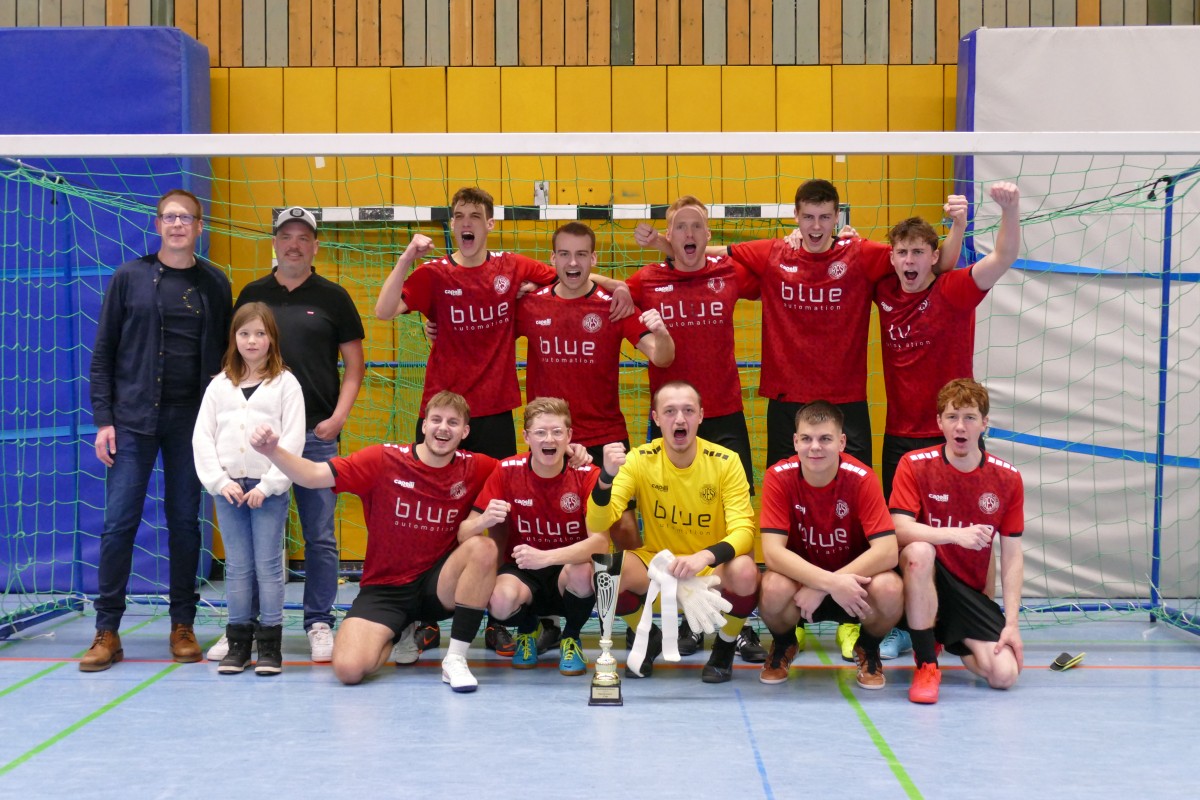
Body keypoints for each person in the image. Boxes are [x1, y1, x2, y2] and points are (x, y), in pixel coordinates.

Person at [375, 187, 631, 655]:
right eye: (458, 216)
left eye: (476, 215)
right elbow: (384, 309)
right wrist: (408, 256)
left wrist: (620, 287)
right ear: (451, 225)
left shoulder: (512, 267)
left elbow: (571, 275)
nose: (467, 222)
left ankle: (493, 617)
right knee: (434, 520)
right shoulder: (434, 273)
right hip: (442, 417)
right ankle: (424, 617)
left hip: (494, 413)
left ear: (490, 224)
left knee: (494, 520)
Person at [723, 179, 960, 662]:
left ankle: (853, 617)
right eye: (807, 217)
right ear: (794, 216)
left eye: (825, 217)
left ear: (837, 217)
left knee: (853, 517)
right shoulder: (772, 253)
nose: (815, 227)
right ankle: (795, 615)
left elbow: (941, 263)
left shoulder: (862, 254)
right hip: (788, 402)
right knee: (789, 514)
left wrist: (955, 224)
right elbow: (706, 251)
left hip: (847, 405)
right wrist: (665, 243)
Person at [248, 391, 499, 692]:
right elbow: (314, 475)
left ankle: (455, 659)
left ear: (465, 431)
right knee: (348, 670)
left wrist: (570, 454)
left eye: (453, 423)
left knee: (483, 547)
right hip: (386, 589)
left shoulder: (478, 466)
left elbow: (522, 469)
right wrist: (273, 451)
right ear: (423, 425)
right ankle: (397, 631)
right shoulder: (383, 459)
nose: (443, 428)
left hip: (438, 585)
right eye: (436, 420)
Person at [82, 189, 233, 672]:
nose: (176, 225)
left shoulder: (215, 283)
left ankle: (182, 624)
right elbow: (104, 352)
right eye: (169, 217)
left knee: (186, 523)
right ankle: (107, 631)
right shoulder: (129, 277)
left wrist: (222, 425)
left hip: (192, 425)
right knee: (118, 523)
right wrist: (104, 419)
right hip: (131, 421)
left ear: (199, 226)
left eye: (185, 218)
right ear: (157, 224)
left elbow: (226, 360)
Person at [217, 207, 366, 664]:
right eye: (287, 236)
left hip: (315, 435)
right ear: (275, 243)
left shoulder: (334, 297)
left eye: (304, 237)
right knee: (258, 539)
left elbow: (355, 367)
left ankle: (318, 619)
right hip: (258, 442)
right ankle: (246, 625)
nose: (295, 244)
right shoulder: (253, 294)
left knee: (320, 535)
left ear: (316, 246)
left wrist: (339, 418)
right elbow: (234, 362)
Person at [629, 197, 766, 661]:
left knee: (733, 523)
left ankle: (736, 626)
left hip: (723, 415)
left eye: (697, 227)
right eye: (679, 227)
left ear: (708, 236)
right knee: (667, 519)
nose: (689, 233)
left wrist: (835, 240)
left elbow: (782, 271)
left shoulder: (728, 272)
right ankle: (683, 617)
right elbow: (601, 288)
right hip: (670, 420)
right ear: (668, 234)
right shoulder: (647, 280)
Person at [584, 381, 761, 683]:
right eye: (670, 411)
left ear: (701, 416)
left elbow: (744, 530)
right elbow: (599, 522)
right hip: (658, 569)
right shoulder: (639, 459)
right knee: (606, 571)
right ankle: (648, 635)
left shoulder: (727, 461)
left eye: (688, 411)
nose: (680, 419)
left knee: (745, 570)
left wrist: (701, 557)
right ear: (655, 417)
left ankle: (725, 646)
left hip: (708, 571)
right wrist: (605, 480)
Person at [516, 221, 674, 552]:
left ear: (594, 259)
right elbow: (488, 334)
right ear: (553, 259)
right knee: (552, 527)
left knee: (625, 530)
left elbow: (661, 358)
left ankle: (631, 601)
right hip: (551, 437)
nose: (573, 263)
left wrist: (662, 333)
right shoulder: (530, 305)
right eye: (565, 255)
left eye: (581, 255)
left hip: (605, 438)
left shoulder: (613, 306)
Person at [890, 379, 1025, 704]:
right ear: (939, 422)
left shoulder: (1007, 478)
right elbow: (898, 528)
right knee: (920, 551)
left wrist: (1012, 623)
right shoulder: (915, 464)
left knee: (1004, 675)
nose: (960, 426)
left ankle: (951, 640)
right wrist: (954, 535)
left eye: (969, 417)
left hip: (968, 593)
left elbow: (1012, 556)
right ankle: (926, 663)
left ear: (985, 423)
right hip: (924, 580)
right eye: (952, 417)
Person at [192, 303, 305, 675]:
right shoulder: (219, 386)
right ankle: (239, 643)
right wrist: (219, 481)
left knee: (268, 566)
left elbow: (292, 439)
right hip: (228, 490)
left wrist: (271, 484)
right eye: (244, 334)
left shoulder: (285, 384)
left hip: (266, 490)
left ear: (272, 338)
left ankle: (270, 645)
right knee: (238, 567)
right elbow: (202, 438)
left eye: (260, 333)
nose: (252, 341)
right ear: (234, 339)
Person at [757, 401, 902, 689]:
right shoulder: (778, 476)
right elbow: (772, 553)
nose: (815, 447)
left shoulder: (862, 478)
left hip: (853, 588)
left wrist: (826, 585)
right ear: (795, 441)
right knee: (772, 587)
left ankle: (868, 649)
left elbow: (888, 551)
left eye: (825, 439)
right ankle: (784, 645)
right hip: (802, 589)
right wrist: (827, 582)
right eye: (807, 439)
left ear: (842, 442)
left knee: (891, 589)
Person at [462, 397, 607, 675]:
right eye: (540, 432)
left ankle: (571, 637)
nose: (548, 439)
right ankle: (527, 631)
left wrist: (545, 557)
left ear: (569, 437)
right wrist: (483, 519)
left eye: (556, 432)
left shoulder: (587, 473)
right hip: (523, 572)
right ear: (527, 437)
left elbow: (600, 543)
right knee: (500, 601)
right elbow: (464, 532)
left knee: (583, 572)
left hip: (567, 569)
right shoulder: (506, 471)